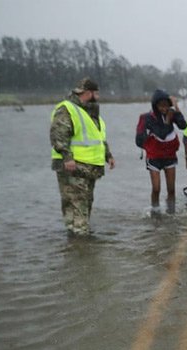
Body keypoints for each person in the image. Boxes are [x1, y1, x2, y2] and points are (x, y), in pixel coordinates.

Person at [50, 77, 116, 236]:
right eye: (97, 93)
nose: (99, 96)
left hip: (89, 167)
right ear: (88, 93)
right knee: (76, 202)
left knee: (85, 202)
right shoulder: (67, 109)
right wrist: (67, 157)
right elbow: (58, 135)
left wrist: (108, 156)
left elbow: (99, 138)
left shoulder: (91, 113)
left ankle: (78, 241)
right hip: (72, 166)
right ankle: (80, 238)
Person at [135, 89, 187, 212]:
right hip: (154, 157)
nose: (164, 109)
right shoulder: (147, 118)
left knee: (171, 189)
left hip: (169, 156)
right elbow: (162, 134)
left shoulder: (171, 113)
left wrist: (176, 108)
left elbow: (183, 125)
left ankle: (171, 212)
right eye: (161, 106)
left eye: (166, 106)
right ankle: (155, 212)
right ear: (155, 106)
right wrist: (168, 121)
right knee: (156, 188)